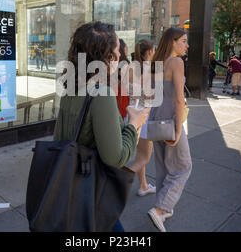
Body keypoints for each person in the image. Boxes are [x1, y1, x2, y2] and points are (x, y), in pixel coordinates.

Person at [53, 22, 150, 232]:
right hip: (91, 192)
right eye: (117, 51)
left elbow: (60, 137)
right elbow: (116, 157)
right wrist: (134, 124)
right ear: (106, 56)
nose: (120, 57)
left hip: (67, 184)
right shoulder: (101, 93)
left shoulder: (71, 86)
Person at [147, 28, 192, 232]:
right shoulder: (176, 62)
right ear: (173, 42)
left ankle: (164, 209)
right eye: (183, 41)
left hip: (156, 119)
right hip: (171, 120)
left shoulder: (156, 63)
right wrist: (179, 128)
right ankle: (159, 209)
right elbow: (178, 98)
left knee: (163, 167)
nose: (186, 45)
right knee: (183, 166)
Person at [128, 39, 156, 197]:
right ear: (150, 52)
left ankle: (143, 186)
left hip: (132, 114)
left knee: (140, 154)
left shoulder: (131, 68)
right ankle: (115, 182)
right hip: (144, 116)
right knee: (144, 158)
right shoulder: (148, 70)